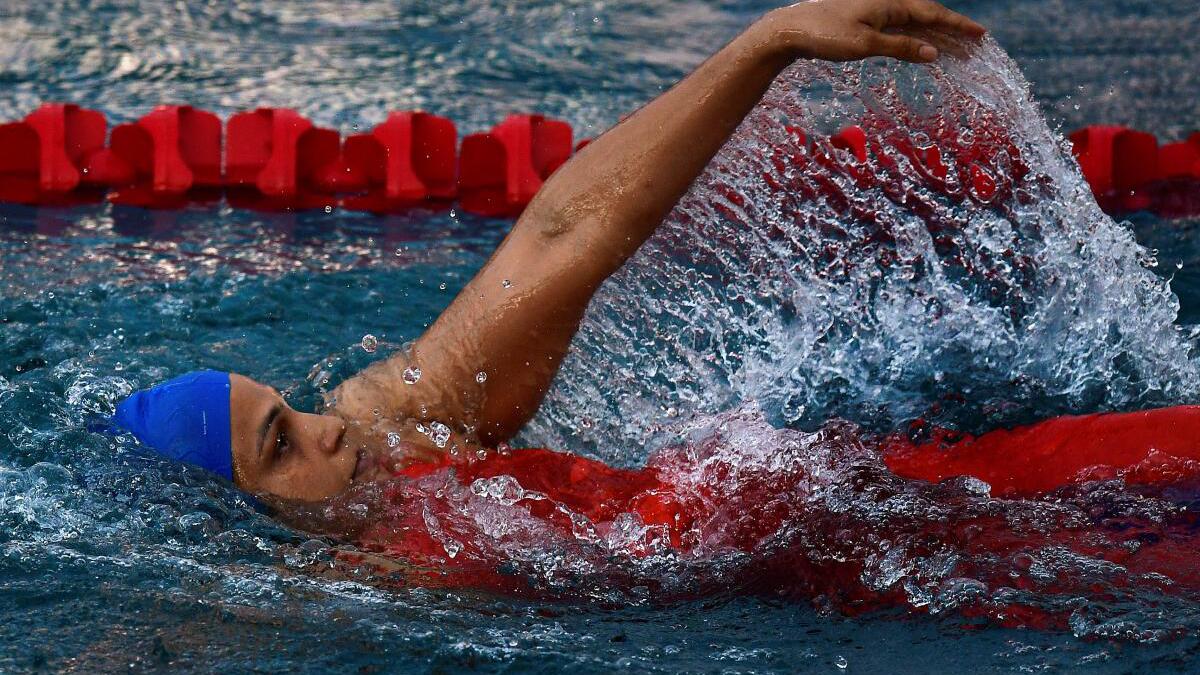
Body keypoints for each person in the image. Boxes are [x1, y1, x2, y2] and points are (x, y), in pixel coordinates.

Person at [106, 0, 1200, 563]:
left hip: (872, 500)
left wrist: (763, 45)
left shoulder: (398, 424)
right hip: (860, 577)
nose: (323, 430)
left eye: (285, 410)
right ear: (231, 517)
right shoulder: (321, 599)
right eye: (278, 447)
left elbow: (562, 231)